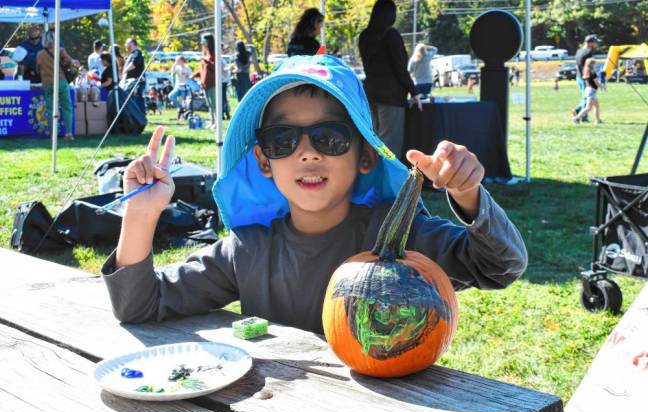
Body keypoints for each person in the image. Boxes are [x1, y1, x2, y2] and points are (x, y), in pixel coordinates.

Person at [101, 54, 527, 335]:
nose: (306, 153)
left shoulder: (398, 237)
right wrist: (140, 216)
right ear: (265, 161)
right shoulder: (247, 252)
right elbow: (138, 306)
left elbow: (499, 265)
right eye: (284, 139)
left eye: (330, 137)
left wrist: (469, 194)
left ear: (365, 156)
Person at [359, 0, 422, 159]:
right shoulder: (391, 35)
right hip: (390, 97)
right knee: (389, 145)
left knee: (373, 140)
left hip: (370, 94)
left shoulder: (364, 36)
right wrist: (414, 93)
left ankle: (373, 176)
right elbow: (400, 68)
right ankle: (388, 179)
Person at [36, 31, 79, 140]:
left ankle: (52, 135)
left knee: (50, 109)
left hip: (47, 83)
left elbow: (37, 69)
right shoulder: (60, 50)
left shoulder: (40, 54)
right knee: (67, 107)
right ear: (55, 39)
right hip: (61, 81)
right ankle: (68, 134)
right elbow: (69, 62)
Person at [573, 35, 600, 122]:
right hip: (586, 79)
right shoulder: (589, 52)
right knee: (588, 98)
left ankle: (583, 116)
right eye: (595, 42)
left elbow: (577, 65)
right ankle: (578, 112)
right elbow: (589, 67)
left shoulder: (579, 51)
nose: (596, 44)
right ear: (590, 43)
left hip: (579, 77)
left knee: (586, 97)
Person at [193, 35, 217, 127]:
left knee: (214, 104)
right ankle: (212, 122)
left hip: (212, 83)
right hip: (205, 83)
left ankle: (216, 122)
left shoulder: (213, 53)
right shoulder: (205, 54)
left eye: (204, 43)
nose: (203, 45)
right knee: (209, 104)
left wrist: (206, 61)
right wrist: (194, 75)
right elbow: (203, 69)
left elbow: (215, 67)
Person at [572, 58, 602, 125]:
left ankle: (597, 120)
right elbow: (596, 82)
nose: (595, 65)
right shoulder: (592, 73)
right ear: (591, 64)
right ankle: (576, 118)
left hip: (588, 90)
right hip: (592, 91)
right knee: (588, 107)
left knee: (596, 106)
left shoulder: (586, 71)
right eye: (594, 64)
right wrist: (602, 86)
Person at [122, 38, 146, 114]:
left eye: (128, 43)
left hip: (136, 82)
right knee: (133, 100)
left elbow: (134, 64)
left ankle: (140, 117)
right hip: (132, 82)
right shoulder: (132, 54)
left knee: (137, 99)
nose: (126, 45)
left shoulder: (137, 52)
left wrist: (125, 70)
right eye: (126, 43)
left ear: (133, 44)